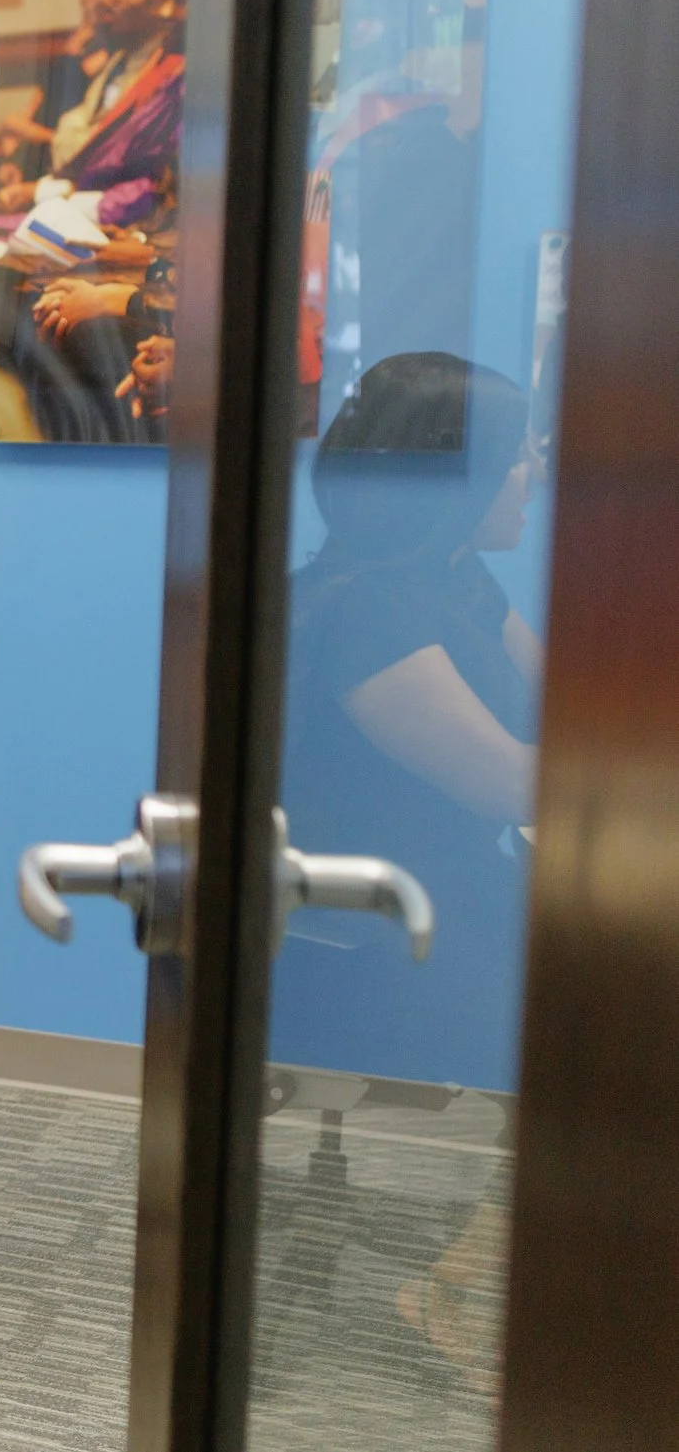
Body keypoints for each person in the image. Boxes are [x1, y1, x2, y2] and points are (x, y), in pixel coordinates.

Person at [277, 353, 539, 1095]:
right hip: (394, 931)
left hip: (464, 890)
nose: (535, 477)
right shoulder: (366, 610)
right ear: (458, 479)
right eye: (517, 459)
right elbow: (508, 784)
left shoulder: (453, 577)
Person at [0, 0, 183, 227]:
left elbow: (123, 165)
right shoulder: (122, 59)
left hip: (124, 217)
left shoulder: (167, 70)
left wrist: (41, 189)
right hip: (84, 201)